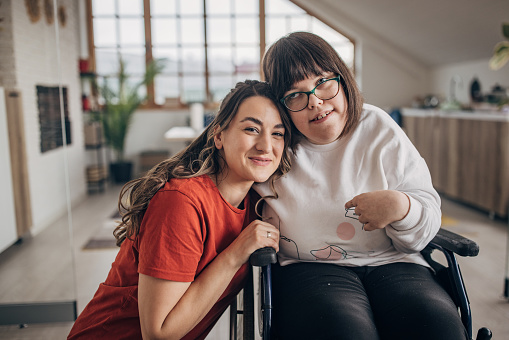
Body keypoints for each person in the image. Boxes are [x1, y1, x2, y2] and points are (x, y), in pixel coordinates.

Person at [255, 32, 468, 340]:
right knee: (343, 330)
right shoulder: (275, 146)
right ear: (282, 106)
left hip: (395, 260)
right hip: (309, 268)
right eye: (295, 95)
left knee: (437, 325)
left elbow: (425, 223)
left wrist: (402, 208)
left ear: (343, 78)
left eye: (323, 82)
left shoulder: (378, 127)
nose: (315, 101)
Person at [67, 80, 292, 340]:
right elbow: (158, 333)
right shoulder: (181, 203)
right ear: (219, 135)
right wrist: (235, 254)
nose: (266, 145)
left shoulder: (257, 204)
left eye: (278, 133)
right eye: (252, 129)